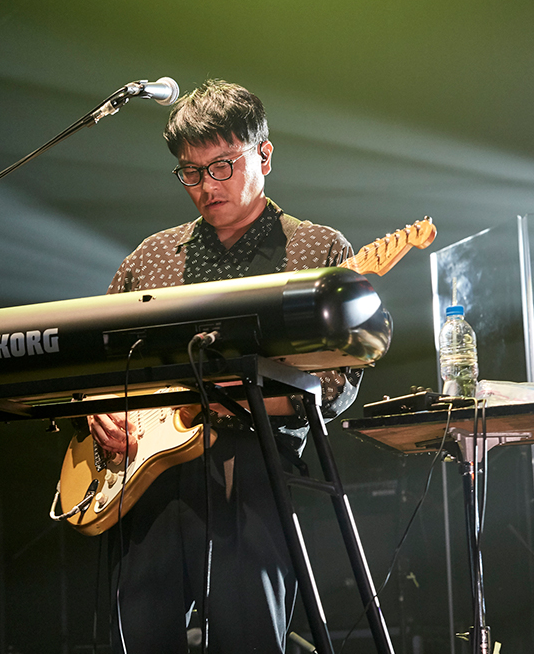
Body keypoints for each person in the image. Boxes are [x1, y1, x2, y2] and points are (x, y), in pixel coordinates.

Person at [87, 79, 361, 653]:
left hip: (255, 466)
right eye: (191, 173)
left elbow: (334, 385)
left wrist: (233, 394)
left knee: (249, 637)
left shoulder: (316, 251)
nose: (208, 186)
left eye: (222, 166)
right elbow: (96, 362)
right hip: (149, 476)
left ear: (264, 155)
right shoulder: (151, 258)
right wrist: (99, 411)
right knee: (139, 636)